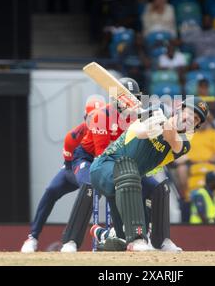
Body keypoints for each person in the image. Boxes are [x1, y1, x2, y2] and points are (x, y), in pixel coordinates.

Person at [21, 78, 140, 253]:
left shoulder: (114, 124)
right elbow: (69, 165)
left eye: (97, 116)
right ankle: (33, 237)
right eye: (91, 117)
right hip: (75, 168)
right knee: (53, 190)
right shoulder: (73, 136)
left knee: (105, 186)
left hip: (102, 164)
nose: (95, 121)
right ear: (85, 118)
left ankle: (115, 234)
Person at [89, 97, 209, 251]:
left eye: (196, 118)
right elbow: (138, 133)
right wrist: (150, 121)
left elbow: (174, 142)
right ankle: (138, 238)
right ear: (180, 109)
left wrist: (163, 123)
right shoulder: (153, 115)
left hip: (126, 184)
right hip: (104, 167)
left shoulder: (185, 144)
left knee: (160, 187)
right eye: (190, 112)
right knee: (130, 174)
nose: (191, 118)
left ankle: (159, 241)